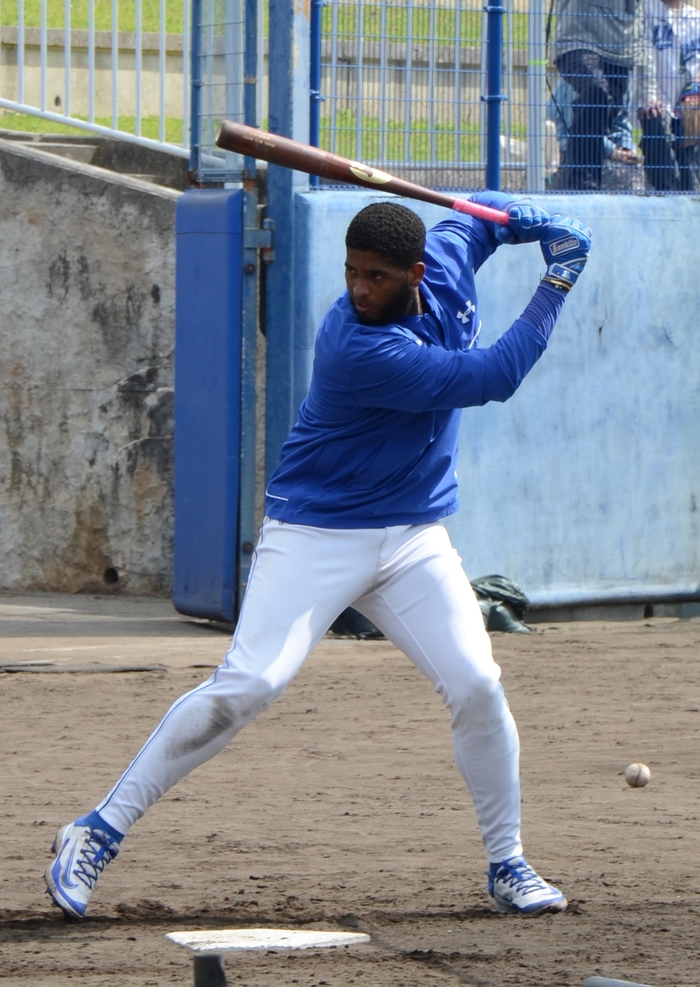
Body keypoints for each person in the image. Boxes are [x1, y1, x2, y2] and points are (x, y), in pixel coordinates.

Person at [44, 194, 592, 921]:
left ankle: (507, 861)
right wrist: (556, 281)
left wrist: (523, 216)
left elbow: (480, 214)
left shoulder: (450, 257)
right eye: (351, 272)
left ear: (416, 272)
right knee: (250, 683)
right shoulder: (359, 348)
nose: (359, 289)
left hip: (412, 538)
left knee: (478, 684)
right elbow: (493, 377)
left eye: (376, 276)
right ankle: (97, 830)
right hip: (317, 532)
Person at [551, 0, 656, 189]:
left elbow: (620, 122)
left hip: (621, 53)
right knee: (596, 93)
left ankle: (582, 186)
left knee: (601, 113)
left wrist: (627, 148)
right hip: (578, 40)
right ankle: (581, 185)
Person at [637, 0, 700, 190]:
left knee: (689, 180)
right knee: (665, 177)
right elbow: (642, 60)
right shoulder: (645, 9)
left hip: (688, 112)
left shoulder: (695, 19)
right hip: (654, 109)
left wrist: (696, 87)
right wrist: (650, 97)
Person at [546, 76, 641, 190]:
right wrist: (611, 151)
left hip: (604, 148)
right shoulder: (581, 79)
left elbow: (620, 120)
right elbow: (578, 129)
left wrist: (627, 147)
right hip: (570, 150)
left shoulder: (623, 78)